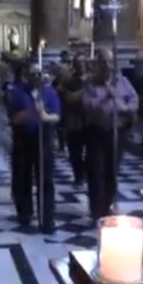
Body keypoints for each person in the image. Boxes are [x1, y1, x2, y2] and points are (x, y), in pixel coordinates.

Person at [82, 48, 139, 222]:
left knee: (112, 171)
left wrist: (121, 104)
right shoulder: (90, 84)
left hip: (117, 132)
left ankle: (106, 205)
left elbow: (134, 102)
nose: (108, 65)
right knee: (96, 171)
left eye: (110, 61)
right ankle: (97, 210)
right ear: (97, 65)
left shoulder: (122, 82)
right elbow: (89, 106)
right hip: (97, 132)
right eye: (104, 62)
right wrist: (105, 96)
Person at [7, 61, 61, 233]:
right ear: (26, 75)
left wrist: (45, 116)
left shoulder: (49, 92)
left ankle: (47, 219)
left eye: (39, 73)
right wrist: (32, 112)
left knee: (46, 179)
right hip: (23, 139)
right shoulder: (17, 92)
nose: (36, 77)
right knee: (22, 177)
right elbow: (13, 118)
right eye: (33, 74)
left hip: (43, 139)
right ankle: (25, 213)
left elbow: (56, 116)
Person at [60, 54, 89, 186]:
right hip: (74, 121)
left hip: (89, 120)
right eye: (78, 63)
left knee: (91, 151)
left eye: (83, 62)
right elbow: (66, 97)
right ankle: (79, 176)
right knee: (75, 152)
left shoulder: (92, 79)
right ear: (75, 65)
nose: (81, 65)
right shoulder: (69, 80)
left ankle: (86, 173)